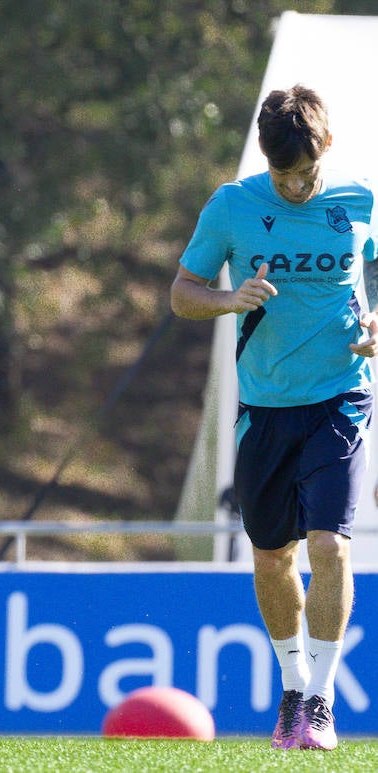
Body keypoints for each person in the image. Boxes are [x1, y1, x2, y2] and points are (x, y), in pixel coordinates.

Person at [171, 84, 378, 752]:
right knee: (271, 556)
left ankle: (320, 698)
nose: (294, 187)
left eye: (306, 173)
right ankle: (294, 684)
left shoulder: (360, 201)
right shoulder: (232, 206)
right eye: (283, 175)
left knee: (330, 544)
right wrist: (231, 299)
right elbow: (183, 294)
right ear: (266, 160)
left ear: (328, 150)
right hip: (264, 407)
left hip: (341, 397)